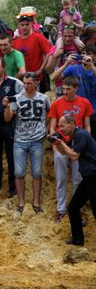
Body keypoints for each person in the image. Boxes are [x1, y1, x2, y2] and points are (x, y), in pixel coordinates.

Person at [48, 76, 94, 222]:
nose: (65, 91)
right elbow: (53, 125)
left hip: (78, 144)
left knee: (77, 179)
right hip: (61, 143)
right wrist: (54, 145)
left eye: (69, 88)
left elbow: (87, 125)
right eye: (64, 88)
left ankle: (77, 211)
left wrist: (86, 143)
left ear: (75, 88)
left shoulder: (84, 102)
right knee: (61, 179)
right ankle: (61, 209)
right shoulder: (56, 103)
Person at [3, 72, 50, 214]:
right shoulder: (16, 98)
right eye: (24, 82)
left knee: (36, 172)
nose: (26, 85)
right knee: (19, 172)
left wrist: (46, 128)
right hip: (20, 140)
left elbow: (51, 113)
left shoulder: (44, 98)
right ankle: (21, 202)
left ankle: (36, 202)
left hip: (37, 140)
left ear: (36, 83)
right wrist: (7, 106)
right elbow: (7, 119)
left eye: (29, 83)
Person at [50, 115, 96, 245]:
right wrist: (57, 143)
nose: (60, 129)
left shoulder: (81, 134)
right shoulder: (74, 136)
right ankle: (78, 240)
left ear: (71, 124)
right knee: (73, 208)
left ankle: (79, 239)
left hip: (93, 176)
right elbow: (64, 152)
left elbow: (74, 156)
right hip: (88, 177)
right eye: (59, 126)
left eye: (62, 125)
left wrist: (62, 143)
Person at [0, 58, 23, 197]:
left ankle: (13, 188)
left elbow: (22, 98)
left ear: (4, 68)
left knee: (11, 157)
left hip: (9, 124)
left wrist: (14, 110)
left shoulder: (14, 83)